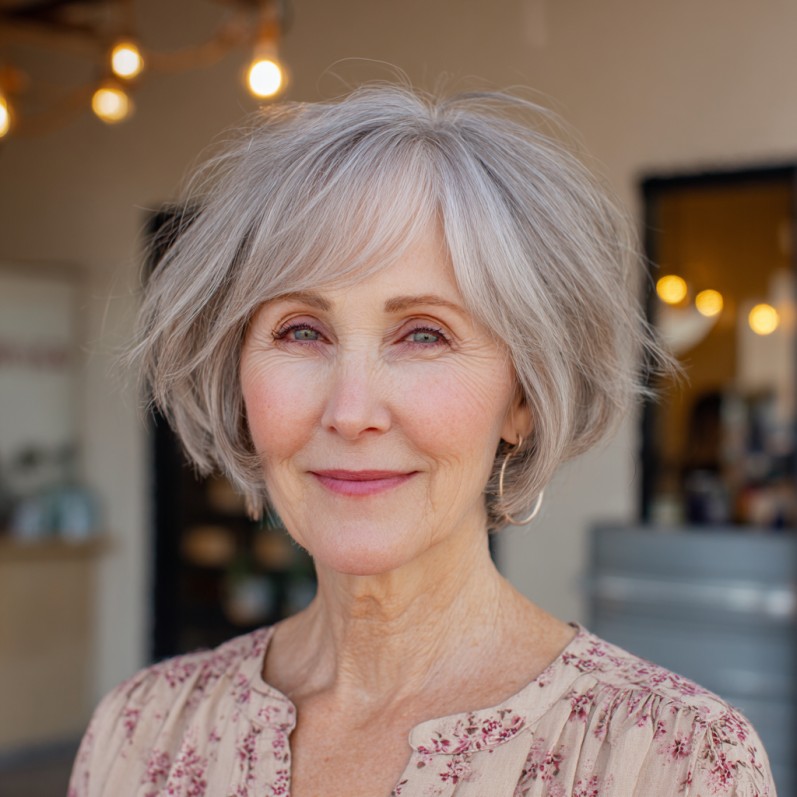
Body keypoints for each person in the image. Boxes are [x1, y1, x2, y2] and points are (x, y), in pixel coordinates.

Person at [69, 85, 775, 796]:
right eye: (301, 331)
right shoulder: (142, 734)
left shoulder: (671, 763)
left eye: (423, 334)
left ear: (522, 397)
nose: (350, 412)